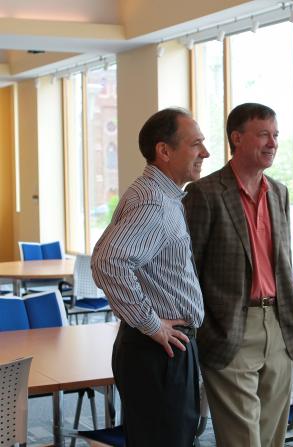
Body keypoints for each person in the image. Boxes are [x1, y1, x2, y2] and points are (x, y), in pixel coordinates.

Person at [182, 102, 293, 447]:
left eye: (276, 135)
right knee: (243, 440)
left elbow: (283, 264)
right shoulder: (204, 194)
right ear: (236, 138)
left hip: (279, 328)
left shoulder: (278, 193)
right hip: (230, 329)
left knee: (271, 439)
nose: (273, 143)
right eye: (263, 134)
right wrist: (203, 329)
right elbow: (187, 269)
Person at [91, 107, 209, 446]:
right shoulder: (154, 203)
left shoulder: (154, 195)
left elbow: (102, 255)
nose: (205, 153)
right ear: (165, 151)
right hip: (158, 350)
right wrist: (151, 323)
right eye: (196, 144)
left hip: (158, 348)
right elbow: (109, 263)